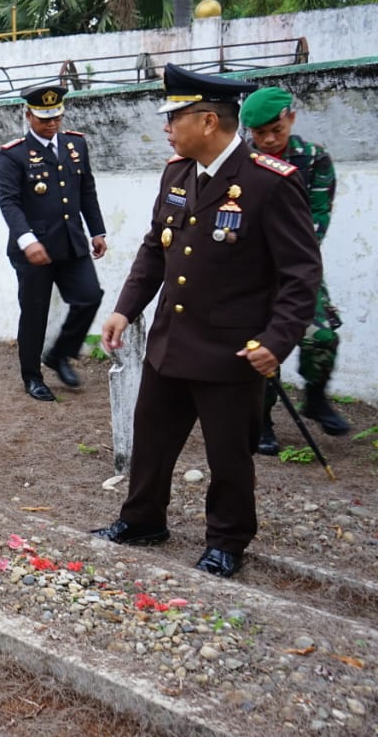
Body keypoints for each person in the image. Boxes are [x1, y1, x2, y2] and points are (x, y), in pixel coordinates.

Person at [94, 65, 322, 578]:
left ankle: (227, 540)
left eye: (175, 116)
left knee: (229, 456)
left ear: (209, 121)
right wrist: (125, 309)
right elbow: (156, 250)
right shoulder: (176, 173)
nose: (167, 127)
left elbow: (301, 274)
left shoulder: (268, 183)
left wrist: (277, 341)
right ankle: (142, 520)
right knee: (150, 438)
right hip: (171, 343)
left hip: (230, 351)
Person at [240, 87, 350, 453]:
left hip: (297, 267)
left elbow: (319, 216)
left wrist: (289, 253)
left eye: (276, 129)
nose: (269, 140)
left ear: (291, 118)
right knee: (260, 345)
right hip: (250, 270)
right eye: (259, 133)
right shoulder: (240, 161)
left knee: (322, 338)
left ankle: (314, 397)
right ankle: (262, 421)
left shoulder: (314, 159)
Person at [0, 84, 107, 401]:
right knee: (34, 313)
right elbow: (9, 203)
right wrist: (27, 240)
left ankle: (59, 354)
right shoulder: (13, 155)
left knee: (89, 296)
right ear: (28, 115)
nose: (52, 123)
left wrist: (97, 230)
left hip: (72, 243)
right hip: (32, 250)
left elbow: (87, 190)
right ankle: (32, 376)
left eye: (56, 116)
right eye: (44, 118)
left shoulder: (76, 145)